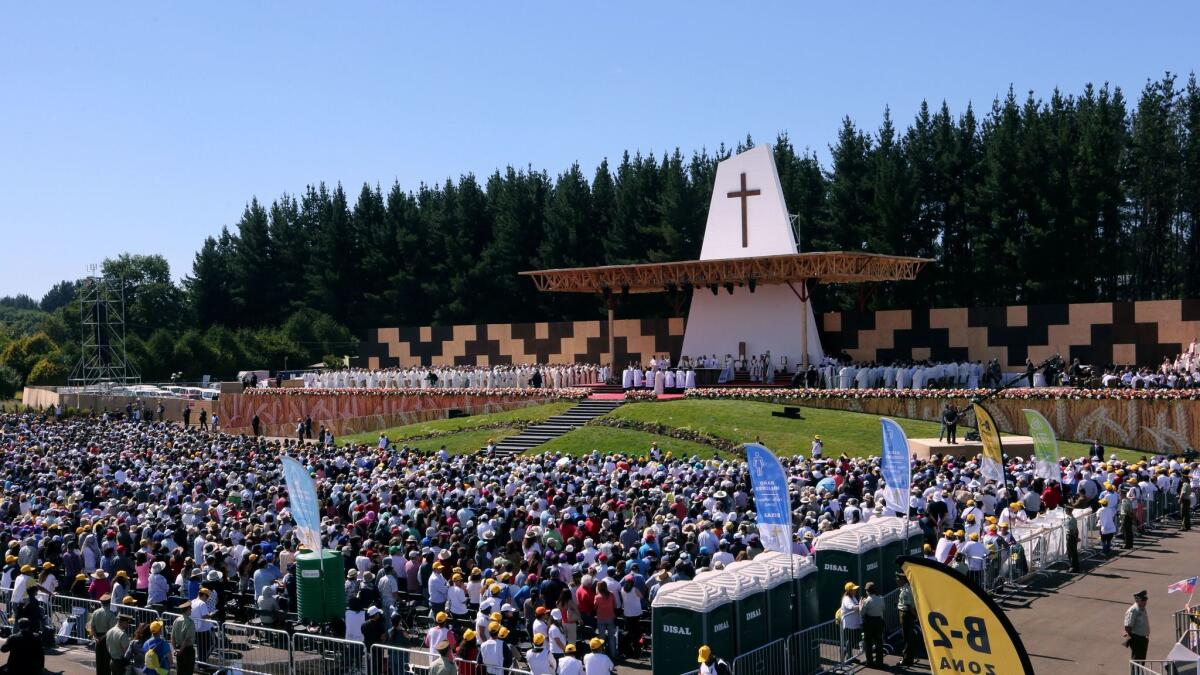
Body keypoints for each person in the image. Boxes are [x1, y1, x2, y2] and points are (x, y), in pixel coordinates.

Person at [88, 594, 118, 675]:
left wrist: (96, 637)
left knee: (99, 660)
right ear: (109, 602)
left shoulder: (95, 612)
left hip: (97, 638)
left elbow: (92, 626)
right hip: (106, 639)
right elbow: (111, 630)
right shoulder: (111, 614)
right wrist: (102, 637)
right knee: (107, 661)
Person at [859, 581, 885, 667]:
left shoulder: (867, 601)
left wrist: (860, 604)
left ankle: (869, 662)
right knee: (879, 642)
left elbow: (862, 613)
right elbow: (883, 609)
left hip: (869, 623)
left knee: (868, 643)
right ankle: (879, 662)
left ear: (867, 591)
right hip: (879, 622)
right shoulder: (881, 598)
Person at [896, 573, 919, 667]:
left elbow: (909, 606)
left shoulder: (905, 591)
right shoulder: (905, 589)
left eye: (898, 579)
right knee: (909, 637)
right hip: (906, 615)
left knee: (907, 638)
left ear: (903, 580)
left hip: (906, 615)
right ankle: (909, 657)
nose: (897, 580)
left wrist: (916, 616)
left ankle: (906, 659)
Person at [838, 582, 862, 662]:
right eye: (854, 589)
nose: (855, 591)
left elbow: (856, 606)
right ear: (849, 590)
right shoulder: (846, 599)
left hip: (854, 623)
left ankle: (846, 653)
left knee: (853, 640)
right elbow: (851, 607)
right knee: (850, 640)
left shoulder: (853, 597)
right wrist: (861, 605)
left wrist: (860, 604)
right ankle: (848, 657)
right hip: (849, 624)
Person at [1124, 590, 1150, 661]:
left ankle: (1139, 672)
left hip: (1143, 638)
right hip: (1136, 639)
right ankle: (1135, 672)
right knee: (1137, 660)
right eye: (1143, 600)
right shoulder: (1133, 610)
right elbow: (1128, 626)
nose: (1145, 602)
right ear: (1137, 600)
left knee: (1142, 660)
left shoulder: (1142, 608)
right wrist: (1129, 638)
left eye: (1145, 600)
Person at [171, 600, 196, 675]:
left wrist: (175, 649)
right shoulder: (190, 622)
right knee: (188, 671)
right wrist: (181, 650)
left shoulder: (176, 620)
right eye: (190, 608)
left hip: (178, 648)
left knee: (180, 670)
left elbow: (172, 637)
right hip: (187, 650)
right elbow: (187, 639)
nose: (191, 610)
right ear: (187, 609)